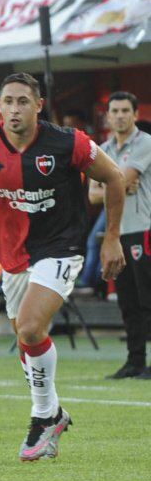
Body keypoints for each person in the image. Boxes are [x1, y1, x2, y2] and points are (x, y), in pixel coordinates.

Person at [0, 72, 126, 462]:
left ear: (38, 105)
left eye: (23, 101)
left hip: (61, 247)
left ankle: (43, 418)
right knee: (28, 344)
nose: (15, 108)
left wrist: (111, 238)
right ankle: (56, 412)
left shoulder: (68, 142)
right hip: (14, 258)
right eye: (8, 101)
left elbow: (113, 178)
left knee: (29, 327)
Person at [92, 91, 151, 380]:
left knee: (148, 299)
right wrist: (116, 186)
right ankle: (135, 362)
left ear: (135, 114)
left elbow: (122, 179)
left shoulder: (145, 143)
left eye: (125, 110)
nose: (119, 115)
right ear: (108, 115)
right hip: (118, 233)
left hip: (144, 229)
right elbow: (91, 195)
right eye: (114, 111)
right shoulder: (102, 150)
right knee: (127, 300)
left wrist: (113, 184)